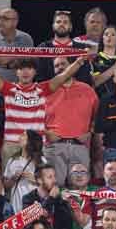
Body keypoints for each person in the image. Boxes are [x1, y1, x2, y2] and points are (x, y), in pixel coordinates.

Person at [0, 50, 91, 161]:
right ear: (16, 71)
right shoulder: (8, 89)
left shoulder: (43, 89)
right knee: (10, 181)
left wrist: (80, 60)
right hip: (12, 145)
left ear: (35, 71)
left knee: (37, 181)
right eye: (21, 68)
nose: (25, 72)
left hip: (36, 145)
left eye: (29, 68)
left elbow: (65, 75)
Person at [42, 54, 99, 186]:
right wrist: (47, 133)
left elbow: (98, 116)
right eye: (56, 66)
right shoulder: (46, 90)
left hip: (80, 147)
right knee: (54, 188)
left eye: (63, 64)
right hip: (54, 147)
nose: (60, 68)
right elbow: (34, 119)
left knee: (79, 189)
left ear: (72, 67)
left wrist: (90, 132)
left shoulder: (87, 90)